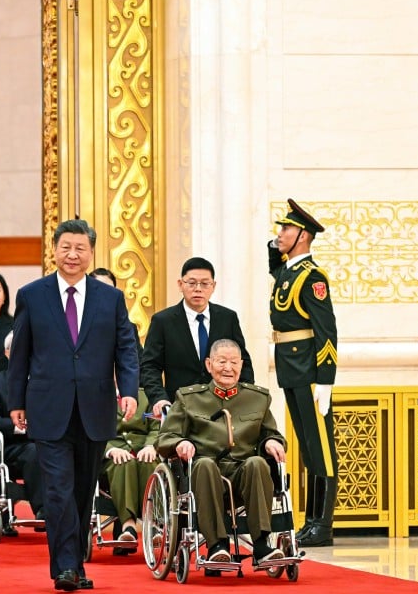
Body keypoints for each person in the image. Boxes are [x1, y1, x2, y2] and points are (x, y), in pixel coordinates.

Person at [7, 218, 140, 592]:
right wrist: (16, 400)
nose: (72, 254)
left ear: (91, 253)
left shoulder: (109, 297)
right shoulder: (32, 295)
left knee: (83, 490)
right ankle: (64, 566)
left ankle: (77, 561)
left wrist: (127, 389)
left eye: (80, 248)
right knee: (58, 489)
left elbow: (125, 348)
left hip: (95, 407)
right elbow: (21, 353)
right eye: (65, 247)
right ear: (54, 250)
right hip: (49, 407)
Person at [155, 339, 287, 564]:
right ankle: (217, 545)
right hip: (205, 476)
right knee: (205, 464)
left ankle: (262, 545)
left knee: (257, 462)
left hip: (243, 475)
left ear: (241, 365)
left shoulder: (258, 399)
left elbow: (271, 433)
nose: (228, 368)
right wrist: (180, 444)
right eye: (221, 361)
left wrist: (272, 442)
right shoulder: (189, 399)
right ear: (209, 365)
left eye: (234, 362)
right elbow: (165, 438)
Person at [269, 198, 339, 547]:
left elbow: (327, 330)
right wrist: (278, 246)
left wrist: (326, 379)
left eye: (286, 229)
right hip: (291, 370)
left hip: (310, 373)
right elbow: (274, 264)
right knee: (308, 448)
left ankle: (321, 525)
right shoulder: (288, 272)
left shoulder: (313, 278)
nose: (279, 233)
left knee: (321, 448)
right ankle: (310, 521)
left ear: (304, 236)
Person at [141, 257, 254, 418]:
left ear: (213, 286)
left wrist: (245, 397)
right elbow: (150, 366)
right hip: (179, 407)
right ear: (180, 284)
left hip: (223, 407)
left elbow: (243, 362)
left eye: (205, 284)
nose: (198, 289)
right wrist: (159, 398)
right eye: (192, 283)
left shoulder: (227, 318)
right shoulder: (163, 321)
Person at [0, 331, 45, 535]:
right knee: (34, 452)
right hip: (8, 445)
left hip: (44, 441)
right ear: (7, 353)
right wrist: (17, 426)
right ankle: (43, 510)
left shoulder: (43, 382)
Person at [102, 389, 155, 555]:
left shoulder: (145, 397)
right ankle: (128, 526)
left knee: (149, 463)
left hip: (143, 450)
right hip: (113, 456)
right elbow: (91, 430)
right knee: (124, 462)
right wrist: (110, 450)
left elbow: (156, 427)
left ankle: (153, 524)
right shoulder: (97, 395)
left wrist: (151, 445)